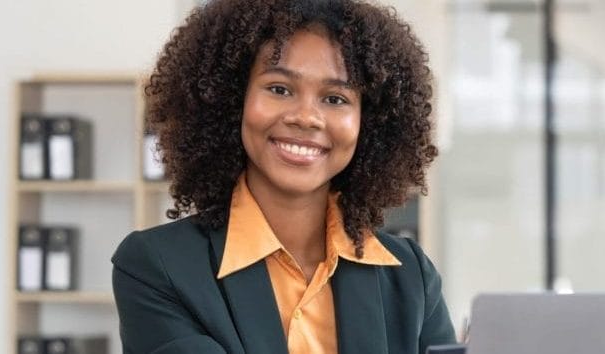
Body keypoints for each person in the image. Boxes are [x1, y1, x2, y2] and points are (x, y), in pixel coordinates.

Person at [110, 0, 456, 353]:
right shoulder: (157, 267)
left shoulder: (411, 276)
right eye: (279, 89)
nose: (306, 117)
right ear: (231, 100)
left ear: (369, 122)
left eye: (335, 98)